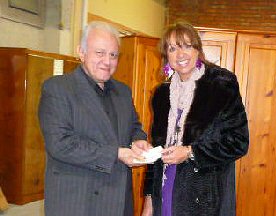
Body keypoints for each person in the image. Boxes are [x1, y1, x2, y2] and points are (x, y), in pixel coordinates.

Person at [38, 21, 150, 216]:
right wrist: (116, 154)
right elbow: (60, 144)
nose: (107, 61)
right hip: (78, 203)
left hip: (119, 201)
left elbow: (133, 126)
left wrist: (138, 140)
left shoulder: (123, 91)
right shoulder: (58, 89)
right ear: (81, 52)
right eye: (100, 53)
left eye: (113, 55)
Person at [142, 22, 249, 216]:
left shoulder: (221, 85)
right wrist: (149, 203)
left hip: (204, 201)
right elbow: (156, 153)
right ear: (167, 57)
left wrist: (191, 152)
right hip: (165, 193)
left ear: (198, 50)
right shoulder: (161, 95)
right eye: (173, 49)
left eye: (187, 46)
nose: (180, 54)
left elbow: (239, 143)